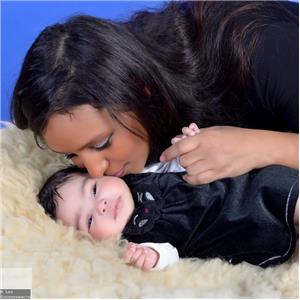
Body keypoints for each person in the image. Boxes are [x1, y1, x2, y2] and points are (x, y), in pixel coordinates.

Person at [11, 1, 298, 184]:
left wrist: (259, 146)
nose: (96, 171)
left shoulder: (260, 48)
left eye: (101, 144)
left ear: (141, 89)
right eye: (73, 156)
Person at [38, 161, 299, 271]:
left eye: (94, 190)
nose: (101, 206)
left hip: (238, 189)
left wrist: (187, 144)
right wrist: (152, 259)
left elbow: (178, 162)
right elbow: (171, 255)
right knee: (272, 241)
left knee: (276, 187)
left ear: (104, 174)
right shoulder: (134, 242)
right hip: (233, 232)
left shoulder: (140, 171)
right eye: (90, 220)